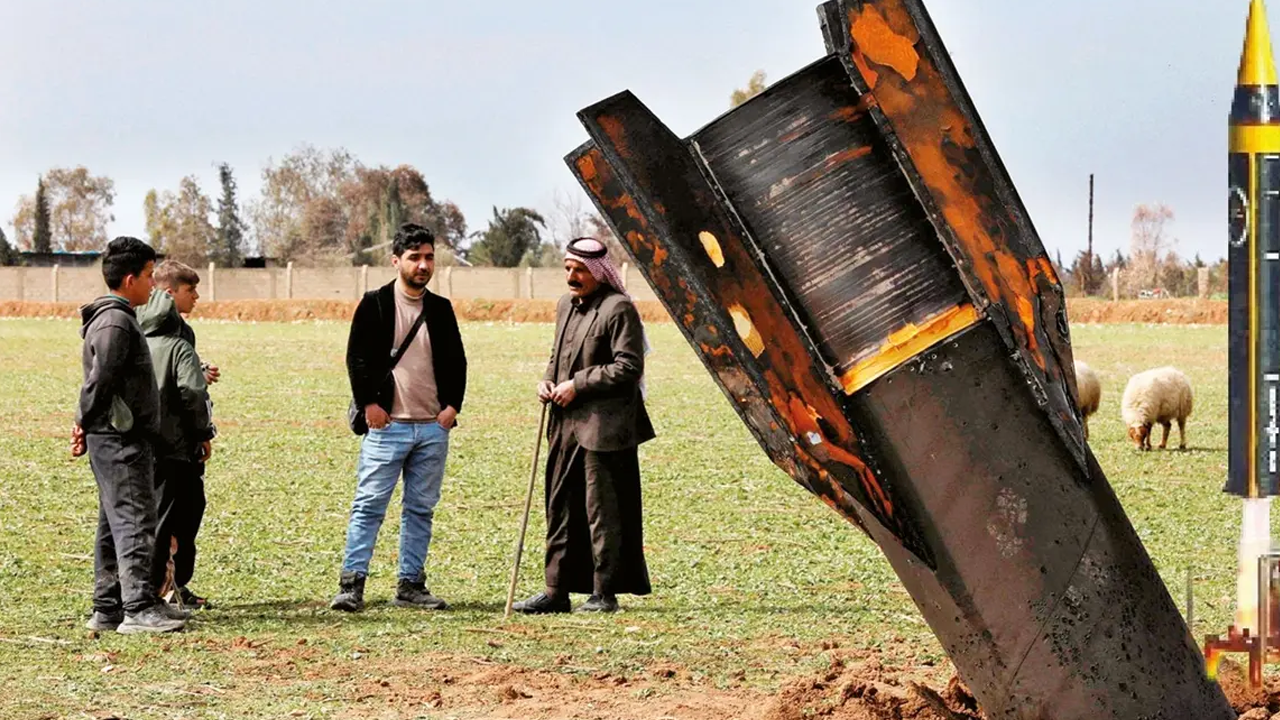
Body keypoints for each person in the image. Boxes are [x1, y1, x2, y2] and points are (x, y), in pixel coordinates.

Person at [513, 237, 654, 614]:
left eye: (579, 270)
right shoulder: (565, 306)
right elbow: (558, 357)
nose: (571, 277)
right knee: (559, 505)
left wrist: (578, 384)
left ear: (598, 272)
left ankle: (603, 593)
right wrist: (548, 381)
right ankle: (555, 591)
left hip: (604, 428)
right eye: (567, 268)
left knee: (601, 510)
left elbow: (628, 366)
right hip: (563, 425)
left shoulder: (618, 308)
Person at [331, 223, 467, 612]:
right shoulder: (373, 304)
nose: (423, 265)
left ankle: (411, 584)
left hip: (431, 427)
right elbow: (356, 358)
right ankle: (351, 585)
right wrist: (369, 404)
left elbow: (457, 360)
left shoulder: (440, 309)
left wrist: (451, 408)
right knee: (369, 505)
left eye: (428, 258)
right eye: (415, 258)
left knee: (420, 509)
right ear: (396, 261)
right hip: (386, 426)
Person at [72, 237, 187, 634]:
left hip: (112, 435)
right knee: (135, 518)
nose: (153, 285)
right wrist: (83, 421)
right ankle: (138, 608)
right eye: (149, 276)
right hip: (120, 438)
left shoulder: (116, 318)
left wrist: (84, 422)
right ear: (128, 279)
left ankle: (108, 608)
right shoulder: (116, 322)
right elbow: (99, 380)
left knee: (113, 521)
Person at [139, 260, 217, 610]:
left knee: (187, 509)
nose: (197, 296)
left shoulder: (168, 332)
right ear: (169, 293)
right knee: (171, 517)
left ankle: (173, 584)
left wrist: (198, 369)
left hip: (152, 441)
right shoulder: (168, 336)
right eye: (190, 290)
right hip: (175, 443)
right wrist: (203, 431)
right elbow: (188, 391)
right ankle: (159, 590)